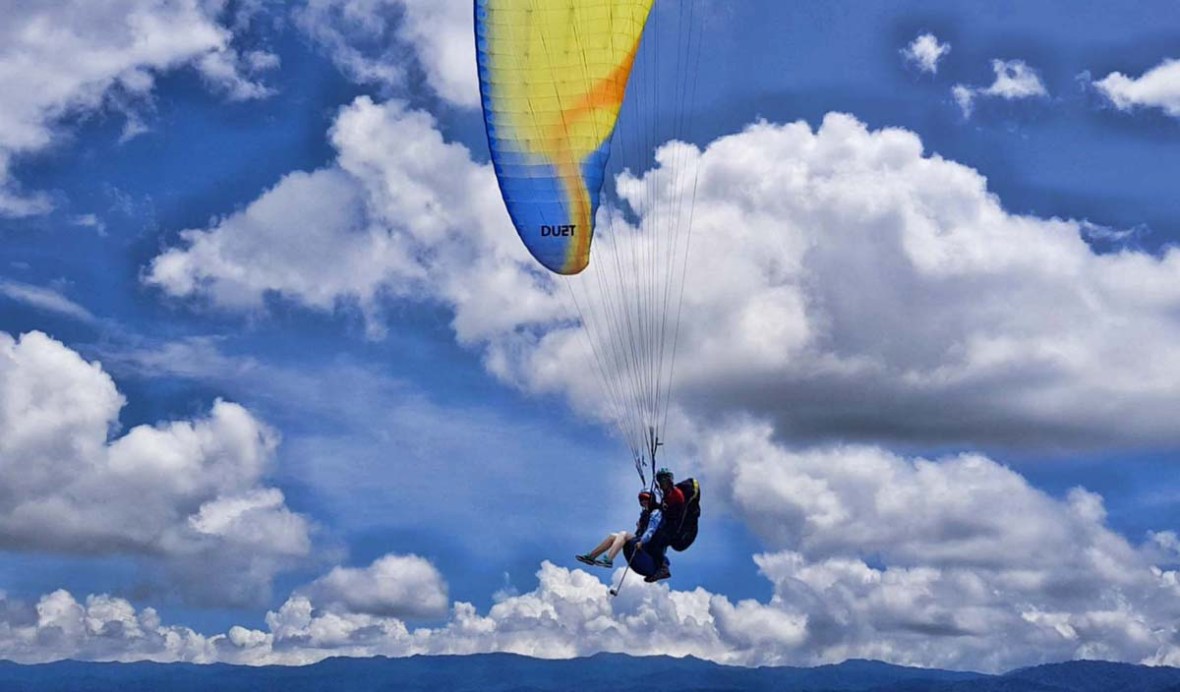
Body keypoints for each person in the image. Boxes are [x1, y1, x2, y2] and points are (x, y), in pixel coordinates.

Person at [576, 491, 655, 569]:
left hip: (646, 542)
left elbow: (652, 529)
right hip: (639, 538)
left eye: (646, 499)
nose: (644, 501)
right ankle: (591, 557)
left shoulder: (654, 512)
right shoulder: (644, 514)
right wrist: (639, 527)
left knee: (623, 533)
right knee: (612, 536)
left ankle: (609, 560)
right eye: (642, 500)